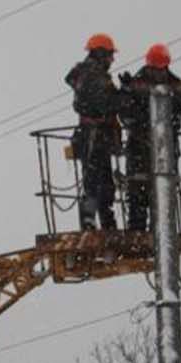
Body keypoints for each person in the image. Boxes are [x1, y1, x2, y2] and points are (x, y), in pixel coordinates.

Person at [120, 43, 181, 233]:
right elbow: (124, 112)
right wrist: (128, 93)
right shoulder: (136, 85)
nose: (159, 73)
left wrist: (180, 100)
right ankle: (139, 238)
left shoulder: (173, 85)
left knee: (162, 202)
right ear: (149, 66)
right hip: (140, 152)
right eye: (155, 69)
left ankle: (157, 237)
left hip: (163, 151)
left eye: (162, 68)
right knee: (138, 200)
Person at [64, 33, 129, 231]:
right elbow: (106, 104)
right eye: (110, 55)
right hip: (94, 136)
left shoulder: (85, 74)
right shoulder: (95, 76)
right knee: (96, 183)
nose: (112, 59)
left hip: (91, 135)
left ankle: (97, 221)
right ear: (100, 54)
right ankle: (97, 222)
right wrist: (124, 94)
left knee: (98, 182)